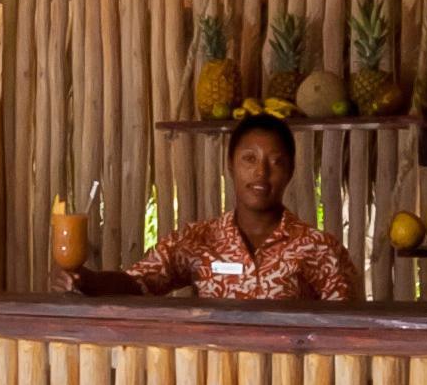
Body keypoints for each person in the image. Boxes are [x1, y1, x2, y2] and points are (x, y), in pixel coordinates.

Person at [71, 111, 358, 303]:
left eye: (276, 161)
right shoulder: (197, 241)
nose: (261, 172)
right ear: (231, 165)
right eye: (249, 159)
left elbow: (351, 328)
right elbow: (138, 282)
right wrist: (87, 280)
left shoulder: (319, 249)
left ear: (291, 171)